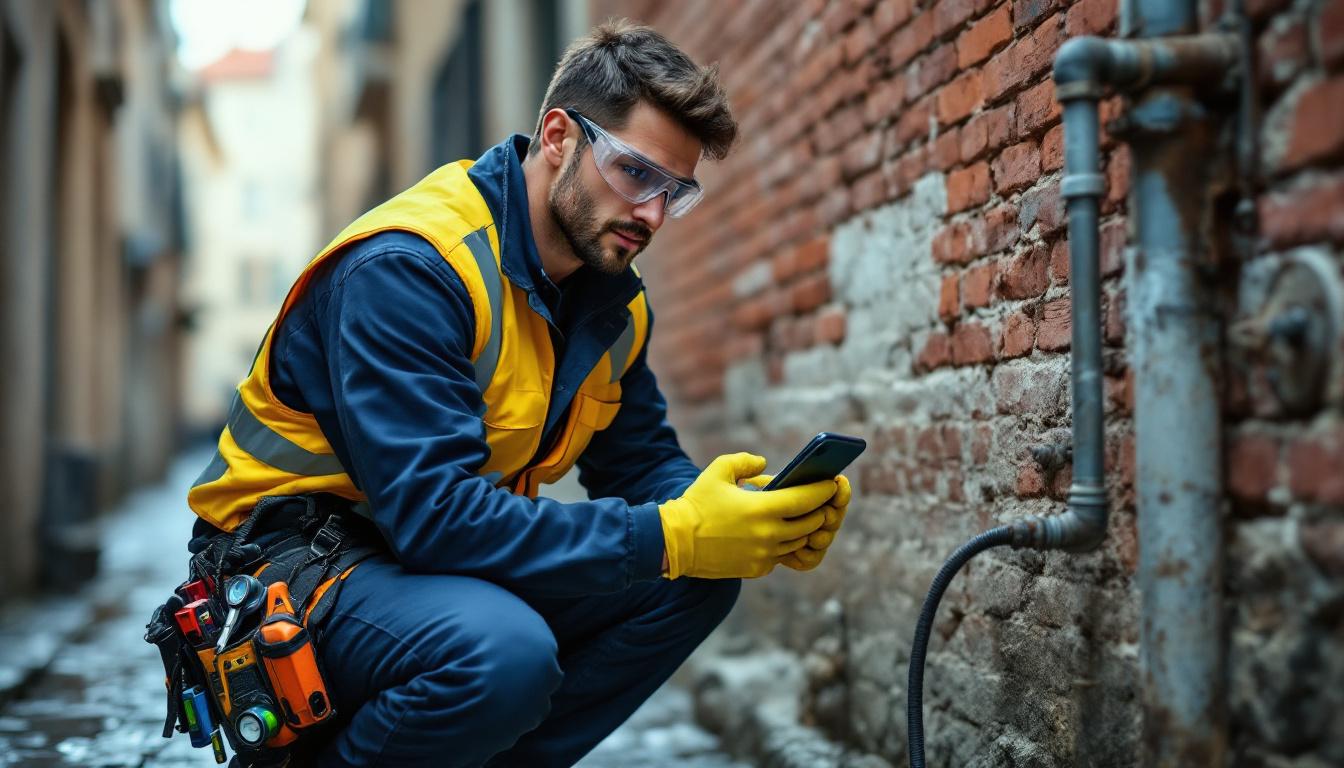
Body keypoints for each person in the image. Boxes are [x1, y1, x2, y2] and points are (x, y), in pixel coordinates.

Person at [185, 19, 852, 768]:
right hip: (285, 564)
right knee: (502, 655)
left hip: (415, 564)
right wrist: (671, 534)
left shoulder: (610, 301)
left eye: (676, 192)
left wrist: (741, 513)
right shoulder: (411, 268)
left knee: (697, 580)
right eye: (636, 174)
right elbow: (436, 518)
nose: (653, 214)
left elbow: (640, 466)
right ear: (560, 136)